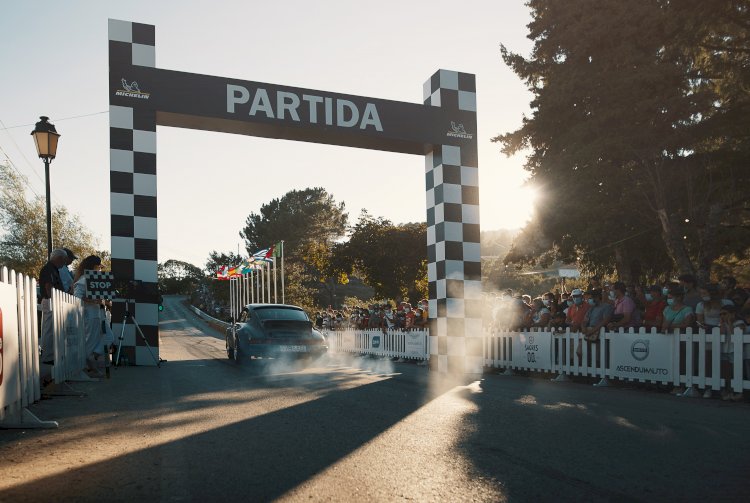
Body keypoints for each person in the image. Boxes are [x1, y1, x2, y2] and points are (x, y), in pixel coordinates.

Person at [72, 255, 106, 376]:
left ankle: (89, 365)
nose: (100, 270)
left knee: (102, 340)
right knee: (91, 342)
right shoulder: (84, 279)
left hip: (97, 314)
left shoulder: (91, 279)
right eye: (99, 267)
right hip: (90, 315)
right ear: (94, 267)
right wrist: (93, 300)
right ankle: (81, 366)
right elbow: (77, 297)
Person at [38, 249, 68, 365]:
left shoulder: (53, 269)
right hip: (50, 301)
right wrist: (54, 301)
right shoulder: (49, 269)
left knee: (51, 329)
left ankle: (50, 354)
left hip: (52, 301)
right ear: (59, 258)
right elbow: (48, 286)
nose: (64, 263)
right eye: (64, 260)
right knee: (49, 329)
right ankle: (47, 356)